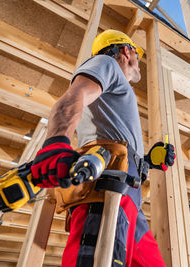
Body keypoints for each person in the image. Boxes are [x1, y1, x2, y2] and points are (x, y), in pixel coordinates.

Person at [30, 29, 174, 267]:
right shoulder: (107, 63)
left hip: (130, 196)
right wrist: (55, 143)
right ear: (126, 51)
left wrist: (147, 161)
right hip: (105, 186)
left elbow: (114, 133)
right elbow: (74, 96)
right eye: (136, 53)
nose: (137, 60)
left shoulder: (118, 87)